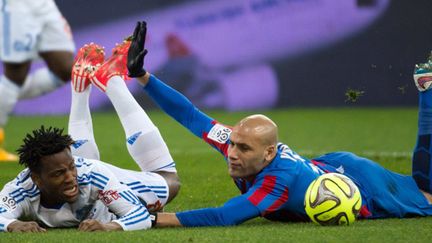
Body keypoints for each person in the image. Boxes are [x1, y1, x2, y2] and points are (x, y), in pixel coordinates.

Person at [125, 21, 432, 227]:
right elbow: (190, 115)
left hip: (361, 187)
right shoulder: (238, 140)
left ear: (269, 153)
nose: (232, 152)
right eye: (232, 143)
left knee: (428, 197)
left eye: (243, 148)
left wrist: (154, 220)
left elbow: (226, 215)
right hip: (331, 168)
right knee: (423, 186)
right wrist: (143, 76)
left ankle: (427, 93)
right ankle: (428, 91)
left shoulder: (276, 181)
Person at [0, 38, 180, 232]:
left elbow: (140, 215)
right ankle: (80, 84)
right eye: (59, 173)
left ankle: (113, 82)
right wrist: (13, 224)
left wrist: (110, 226)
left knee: (170, 182)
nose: (70, 177)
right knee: (80, 169)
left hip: (98, 177)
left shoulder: (92, 175)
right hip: (88, 176)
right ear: (36, 179)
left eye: (70, 168)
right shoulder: (21, 189)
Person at [0, 0, 75, 161]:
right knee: (16, 73)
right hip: (17, 6)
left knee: (65, 69)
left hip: (44, 5)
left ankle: (5, 94)